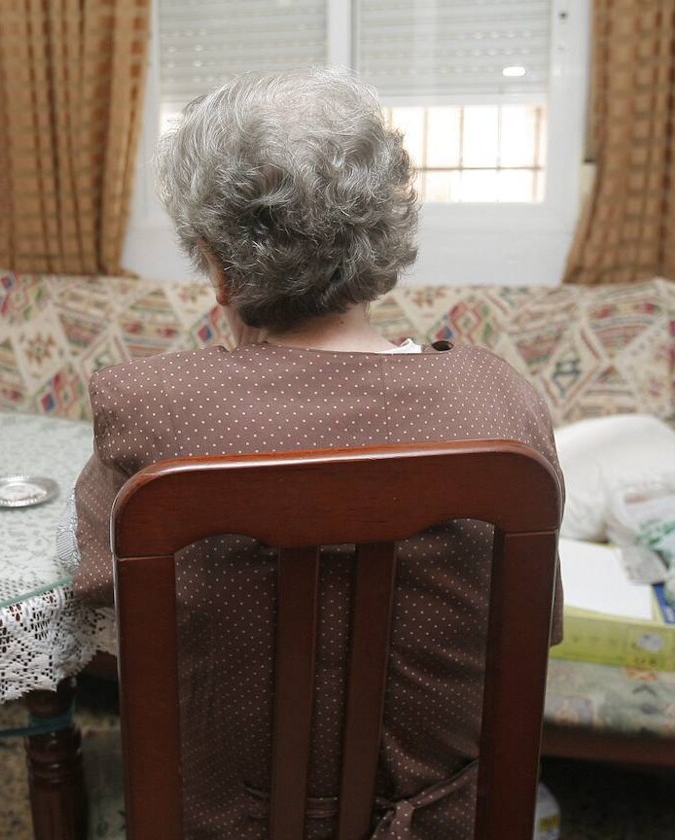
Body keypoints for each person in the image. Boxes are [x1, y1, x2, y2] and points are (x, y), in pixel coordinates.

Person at [60, 67, 562, 838]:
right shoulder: (503, 405)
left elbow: (96, 589)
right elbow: (539, 623)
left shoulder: (150, 409)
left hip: (225, 825)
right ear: (383, 232)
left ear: (217, 265)